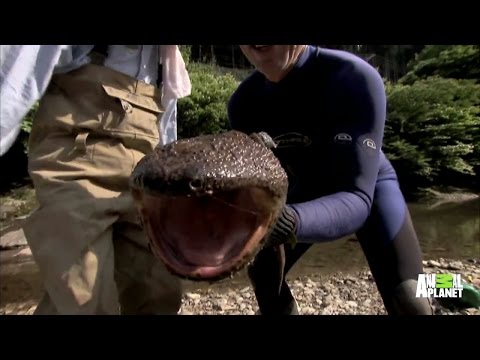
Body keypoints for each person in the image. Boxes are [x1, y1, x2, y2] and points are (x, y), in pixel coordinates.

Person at [227, 45, 434, 315]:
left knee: (413, 297)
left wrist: (288, 222)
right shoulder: (244, 103)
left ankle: (451, 286)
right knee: (264, 271)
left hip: (368, 188)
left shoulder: (352, 76)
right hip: (303, 192)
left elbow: (358, 199)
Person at [0, 45, 192, 315]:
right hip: (75, 157)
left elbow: (166, 116)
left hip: (146, 166)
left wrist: (168, 177)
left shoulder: (165, 56)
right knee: (82, 295)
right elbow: (15, 72)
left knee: (159, 288)